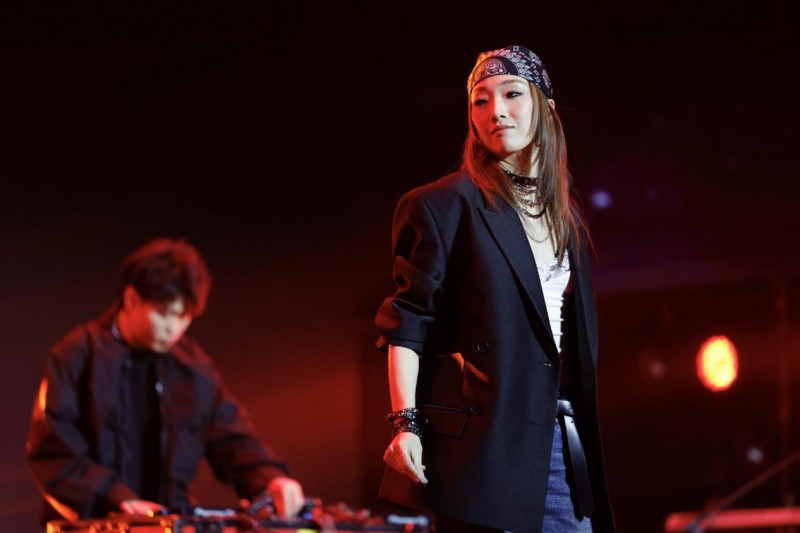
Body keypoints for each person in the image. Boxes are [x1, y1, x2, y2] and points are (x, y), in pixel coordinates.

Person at [374, 46, 615, 532]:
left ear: (545, 106)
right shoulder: (444, 205)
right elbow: (407, 323)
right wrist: (405, 423)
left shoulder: (563, 212)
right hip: (490, 447)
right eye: (480, 101)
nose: (496, 111)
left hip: (559, 436)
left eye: (511, 94)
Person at [26, 238, 305, 524]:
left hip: (168, 525)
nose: (174, 328)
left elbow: (233, 439)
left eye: (184, 316)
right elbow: (54, 452)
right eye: (164, 314)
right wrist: (117, 497)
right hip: (93, 526)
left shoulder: (194, 367)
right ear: (131, 299)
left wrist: (271, 478)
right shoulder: (77, 355)